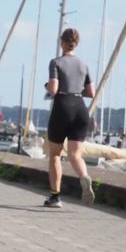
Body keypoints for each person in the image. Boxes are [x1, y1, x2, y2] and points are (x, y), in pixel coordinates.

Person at [44, 28, 96, 208]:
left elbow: (53, 89)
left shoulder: (56, 62)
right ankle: (84, 177)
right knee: (75, 155)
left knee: (55, 155)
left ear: (61, 42)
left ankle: (55, 197)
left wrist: (47, 86)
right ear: (77, 43)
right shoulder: (84, 65)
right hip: (80, 108)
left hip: (62, 107)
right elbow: (91, 92)